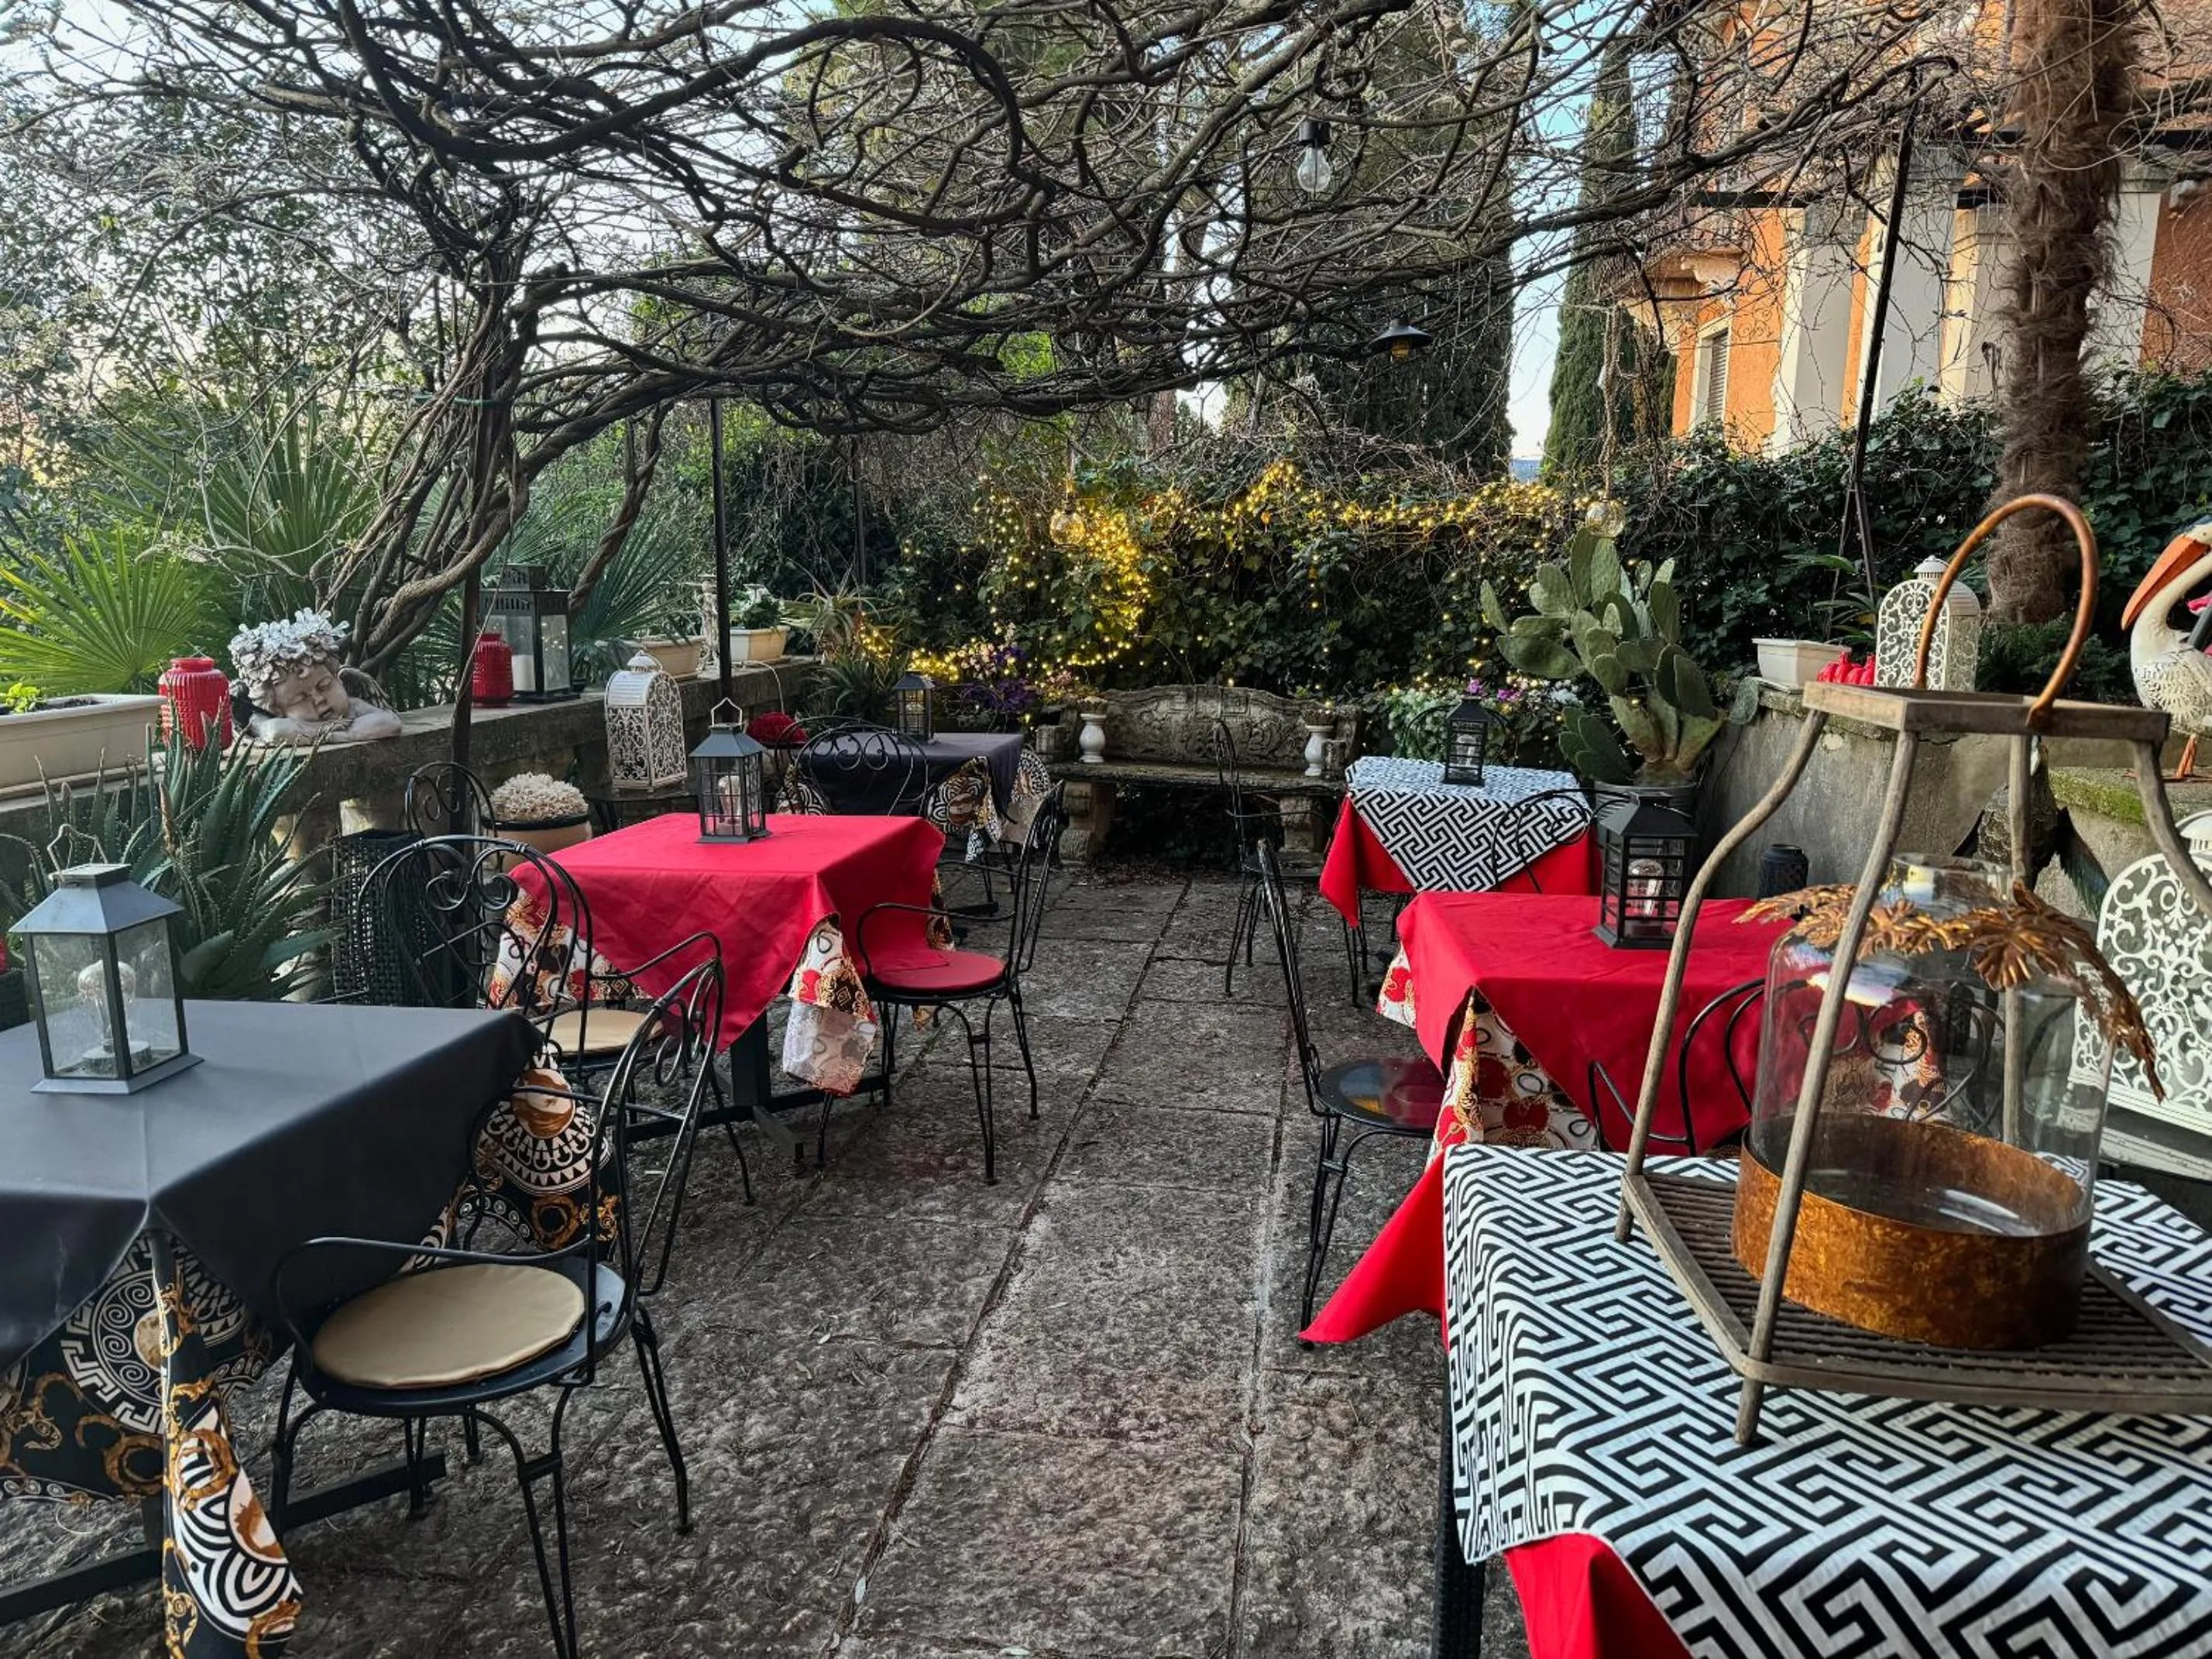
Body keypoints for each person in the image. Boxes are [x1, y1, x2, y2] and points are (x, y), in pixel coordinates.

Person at [228, 610, 403, 745]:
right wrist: (322, 730)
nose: (319, 699)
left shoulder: (352, 708)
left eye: (325, 685)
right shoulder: (259, 719)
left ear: (338, 678)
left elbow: (390, 723)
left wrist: (335, 735)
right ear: (276, 710)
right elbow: (275, 732)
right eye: (300, 699)